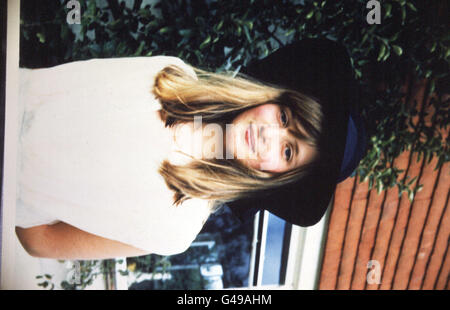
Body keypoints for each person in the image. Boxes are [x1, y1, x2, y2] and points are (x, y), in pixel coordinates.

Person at [15, 38, 367, 260]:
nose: (269, 135)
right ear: (272, 96)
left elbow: (42, 240)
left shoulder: (176, 228)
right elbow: (44, 87)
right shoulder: (171, 77)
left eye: (288, 151)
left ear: (279, 179)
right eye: (284, 116)